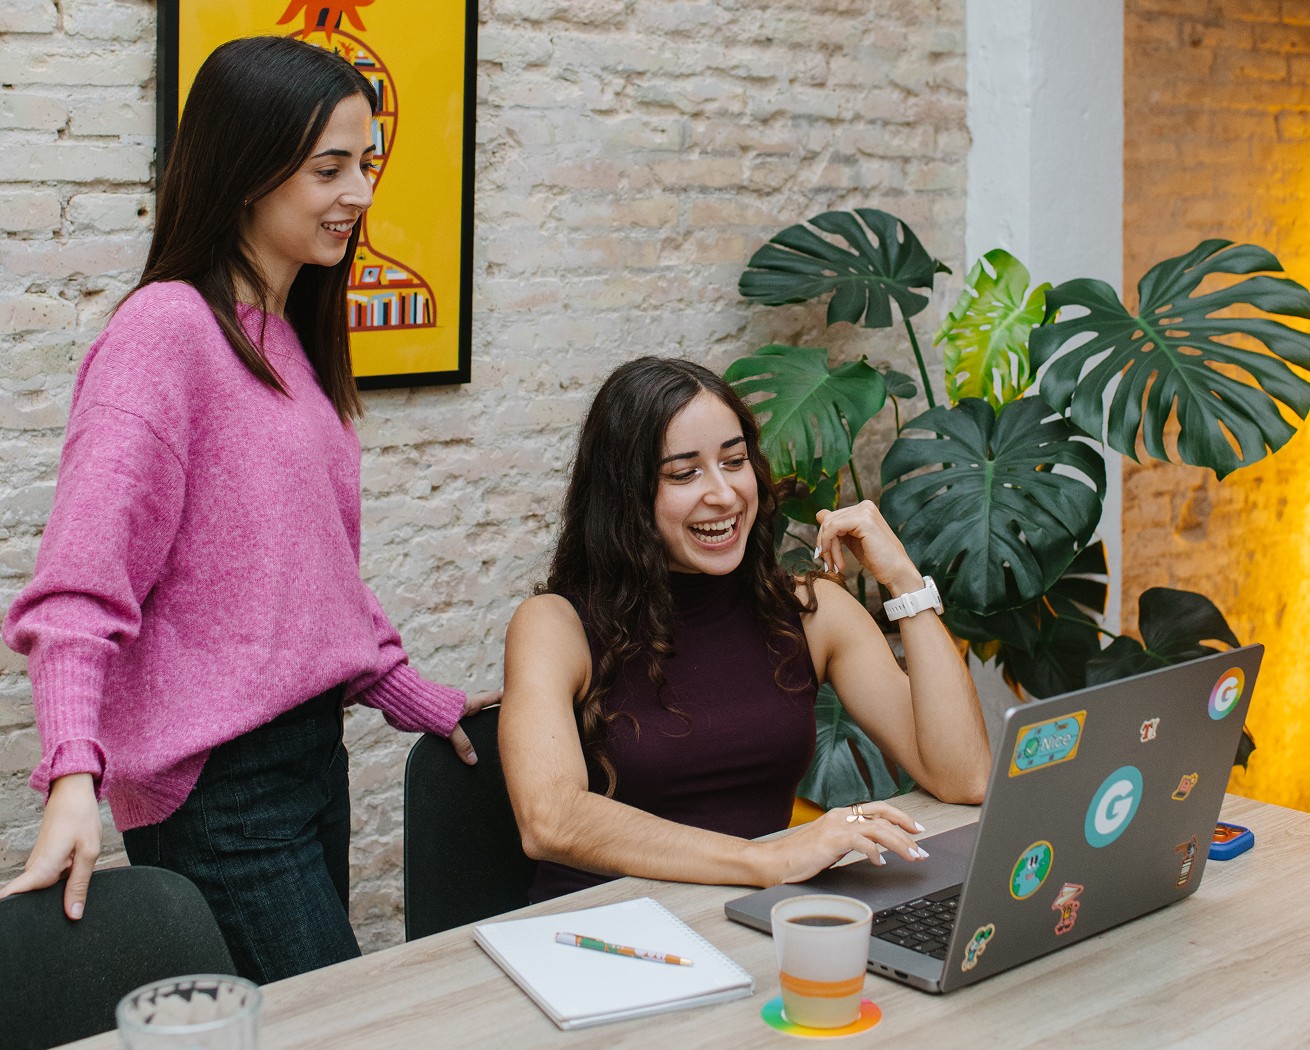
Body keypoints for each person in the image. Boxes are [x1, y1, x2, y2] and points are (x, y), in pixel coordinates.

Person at [0, 36, 498, 984]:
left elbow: (307, 575)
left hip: (309, 759)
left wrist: (411, 695)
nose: (359, 192)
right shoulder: (166, 332)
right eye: (329, 169)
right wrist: (74, 777)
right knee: (330, 1026)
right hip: (219, 791)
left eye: (367, 163)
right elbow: (77, 589)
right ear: (246, 172)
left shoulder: (287, 337)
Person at [500, 357, 990, 902]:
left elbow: (963, 777)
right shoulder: (555, 624)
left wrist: (902, 580)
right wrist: (766, 858)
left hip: (749, 916)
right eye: (684, 473)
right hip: (604, 933)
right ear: (626, 495)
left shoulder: (810, 611)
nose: (726, 494)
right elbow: (550, 820)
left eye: (734, 462)